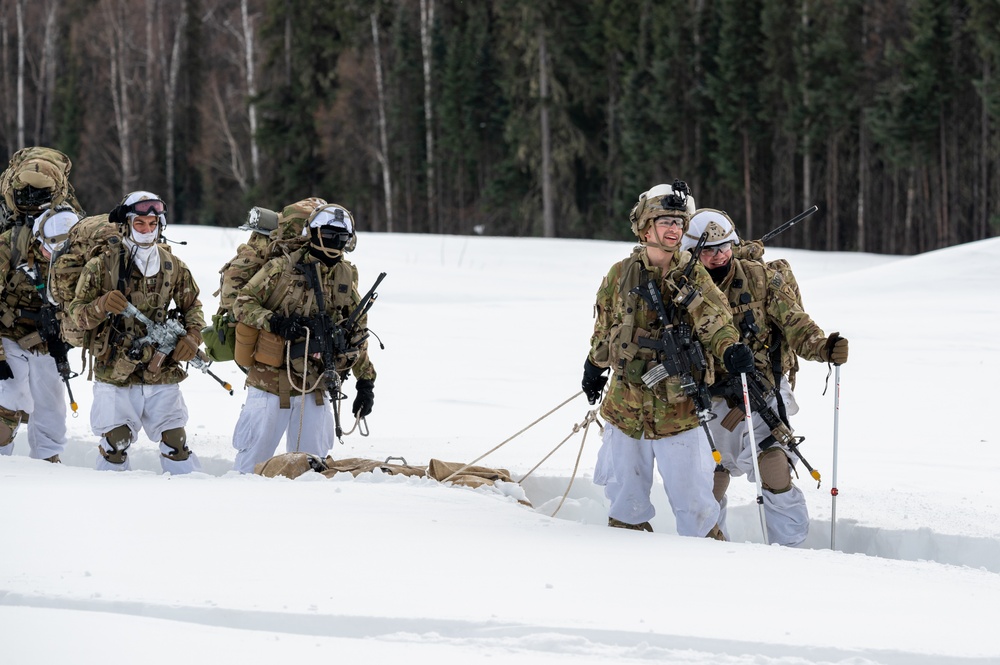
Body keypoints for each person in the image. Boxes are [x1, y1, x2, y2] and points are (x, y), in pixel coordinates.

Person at [583, 181, 755, 538]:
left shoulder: (694, 274)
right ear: (646, 227)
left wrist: (729, 348)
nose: (675, 229)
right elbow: (606, 328)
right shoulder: (620, 274)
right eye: (666, 222)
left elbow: (716, 322)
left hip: (679, 412)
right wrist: (593, 366)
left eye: (680, 223)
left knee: (697, 509)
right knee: (624, 504)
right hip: (625, 410)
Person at [680, 208, 848, 546]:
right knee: (709, 479)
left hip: (760, 391)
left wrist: (823, 347)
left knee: (774, 467)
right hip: (706, 397)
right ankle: (707, 549)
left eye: (724, 246)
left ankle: (791, 548)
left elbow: (796, 323)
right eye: (708, 250)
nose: (718, 256)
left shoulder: (759, 279)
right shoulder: (681, 284)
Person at [230, 203, 377, 473]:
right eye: (328, 234)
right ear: (314, 233)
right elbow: (242, 303)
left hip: (316, 385)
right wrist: (275, 321)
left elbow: (356, 332)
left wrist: (365, 381)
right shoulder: (281, 268)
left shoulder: (345, 276)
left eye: (341, 237)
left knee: (313, 469)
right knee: (251, 467)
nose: (335, 242)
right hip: (270, 382)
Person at [66, 191, 205, 473]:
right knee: (116, 443)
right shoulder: (101, 265)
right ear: (127, 224)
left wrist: (192, 336)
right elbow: (76, 315)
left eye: (152, 224)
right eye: (140, 223)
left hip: (160, 368)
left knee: (176, 443)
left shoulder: (172, 266)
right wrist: (101, 305)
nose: (146, 230)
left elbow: (194, 307)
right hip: (116, 368)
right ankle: (112, 503)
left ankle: (189, 503)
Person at [0, 206, 81, 462]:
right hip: (7, 331)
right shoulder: (11, 246)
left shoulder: (77, 256)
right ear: (37, 238)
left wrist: (65, 337)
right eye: (49, 248)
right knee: (11, 393)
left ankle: (48, 461)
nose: (54, 256)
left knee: (52, 407)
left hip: (47, 339)